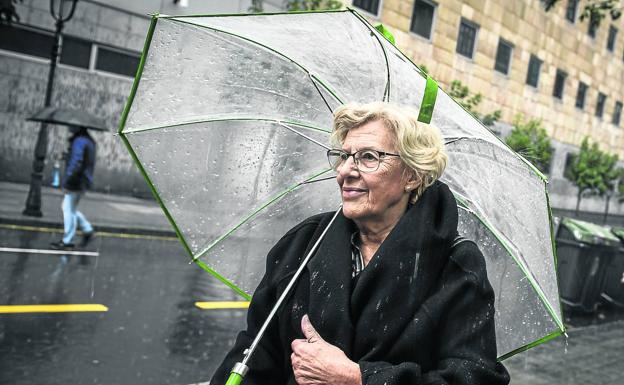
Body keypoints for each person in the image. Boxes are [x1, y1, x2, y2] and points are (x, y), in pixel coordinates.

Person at [210, 102, 509, 385]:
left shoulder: (455, 264)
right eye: (343, 155)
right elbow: (256, 351)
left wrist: (359, 378)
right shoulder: (304, 243)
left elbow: (474, 376)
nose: (345, 172)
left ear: (412, 176)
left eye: (368, 157)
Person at [50, 125, 96, 250]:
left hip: (77, 180)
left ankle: (67, 241)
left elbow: (77, 163)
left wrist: (67, 180)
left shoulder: (80, 141)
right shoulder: (87, 140)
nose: (69, 127)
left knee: (68, 209)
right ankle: (87, 230)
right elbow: (80, 158)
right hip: (82, 180)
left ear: (78, 127)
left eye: (72, 125)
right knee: (70, 209)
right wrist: (66, 155)